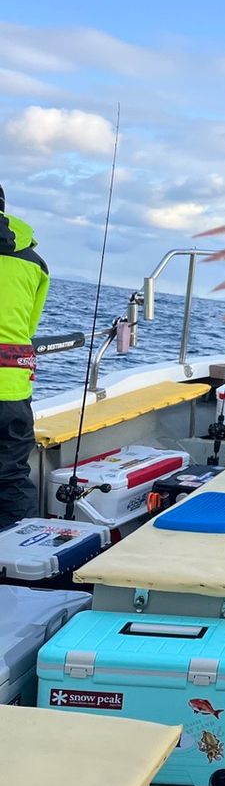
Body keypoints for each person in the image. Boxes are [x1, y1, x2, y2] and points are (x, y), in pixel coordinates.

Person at [0, 184, 49, 529]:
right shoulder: (34, 261)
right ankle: (19, 559)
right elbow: (28, 326)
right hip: (13, 385)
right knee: (13, 474)